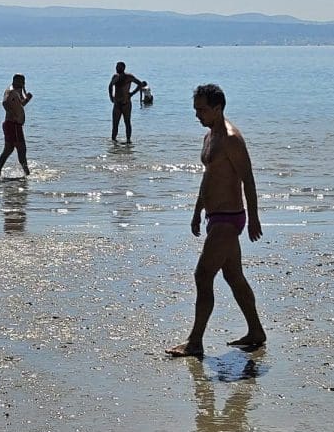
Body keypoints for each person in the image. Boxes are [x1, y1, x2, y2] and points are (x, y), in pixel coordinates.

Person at [167, 84, 266, 357]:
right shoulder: (210, 136)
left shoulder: (232, 139)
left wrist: (254, 218)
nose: (197, 115)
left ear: (218, 108)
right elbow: (208, 177)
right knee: (233, 276)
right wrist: (197, 211)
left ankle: (195, 341)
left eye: (201, 110)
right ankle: (256, 331)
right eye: (195, 109)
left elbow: (248, 179)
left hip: (229, 219)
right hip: (214, 217)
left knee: (202, 275)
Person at [0, 74, 32, 177]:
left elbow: (21, 104)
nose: (23, 83)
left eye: (24, 81)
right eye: (21, 81)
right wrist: (12, 114)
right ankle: (27, 173)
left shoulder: (18, 91)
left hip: (13, 125)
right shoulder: (10, 91)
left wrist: (27, 99)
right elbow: (5, 103)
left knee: (8, 149)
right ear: (15, 81)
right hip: (13, 124)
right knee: (21, 148)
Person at [108, 61, 145, 142]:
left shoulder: (129, 77)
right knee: (115, 124)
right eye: (116, 66)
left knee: (127, 122)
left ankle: (128, 141)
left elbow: (140, 84)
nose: (117, 68)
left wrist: (132, 93)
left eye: (119, 67)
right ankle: (113, 142)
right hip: (117, 104)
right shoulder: (116, 77)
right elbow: (110, 86)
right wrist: (111, 97)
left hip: (126, 104)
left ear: (123, 68)